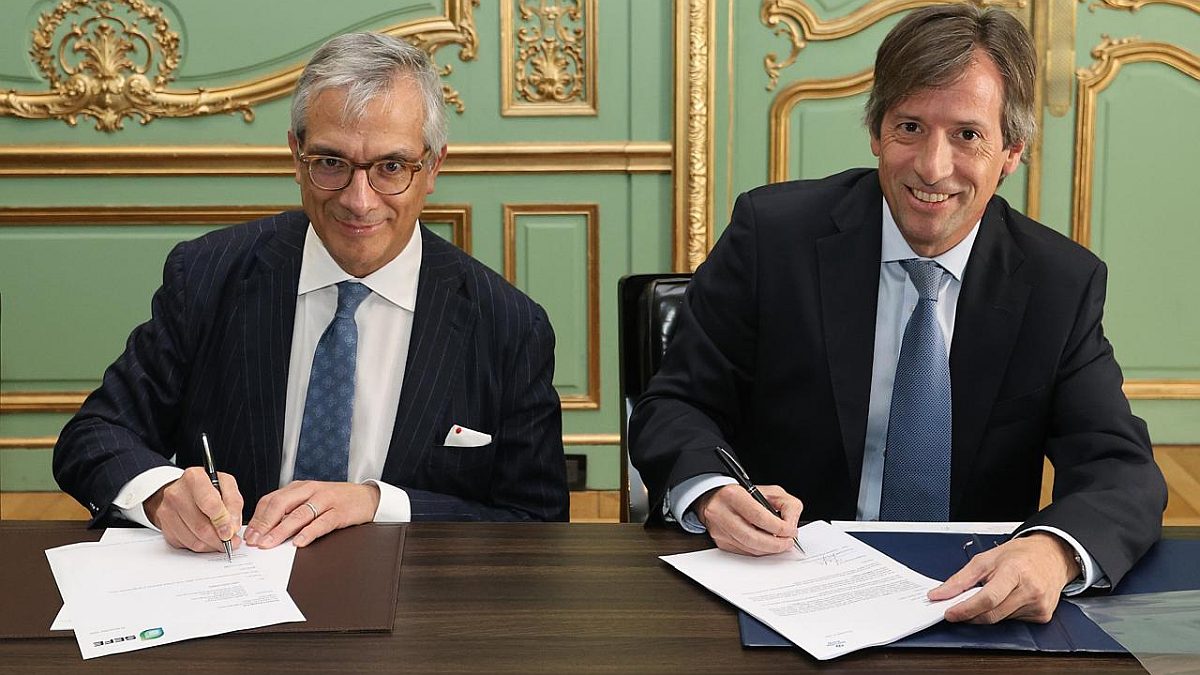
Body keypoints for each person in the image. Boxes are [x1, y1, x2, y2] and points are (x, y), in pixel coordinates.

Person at [629, 5, 1165, 625]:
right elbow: (675, 405)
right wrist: (714, 492)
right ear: (877, 132)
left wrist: (1054, 551)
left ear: (1011, 150)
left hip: (969, 599)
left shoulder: (1058, 283)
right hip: (783, 588)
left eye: (967, 135)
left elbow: (1120, 470)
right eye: (910, 127)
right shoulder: (772, 237)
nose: (932, 168)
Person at [54, 32, 569, 554]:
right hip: (229, 587)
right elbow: (94, 434)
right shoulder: (207, 273)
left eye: (391, 167)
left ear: (432, 166)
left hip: (414, 595)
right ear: (296, 156)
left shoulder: (507, 324)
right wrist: (161, 495)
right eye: (331, 163)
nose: (359, 201)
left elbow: (537, 521)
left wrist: (380, 504)